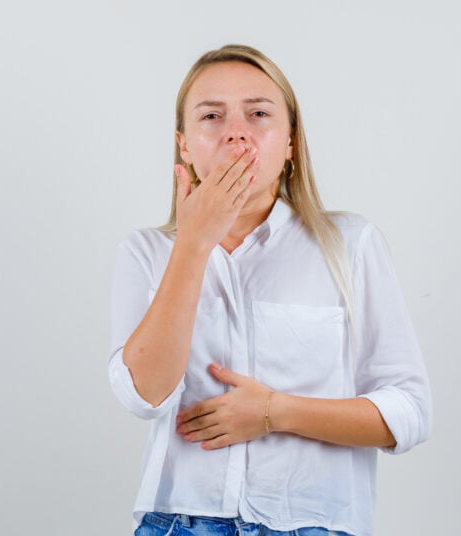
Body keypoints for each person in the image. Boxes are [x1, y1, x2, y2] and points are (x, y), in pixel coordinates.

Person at [108, 44, 431, 536]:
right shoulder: (147, 252)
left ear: (289, 143)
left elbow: (409, 413)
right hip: (177, 521)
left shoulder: (350, 244)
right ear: (184, 145)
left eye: (258, 113)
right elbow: (143, 397)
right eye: (211, 116)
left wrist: (273, 412)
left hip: (315, 524)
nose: (236, 131)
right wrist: (193, 245)